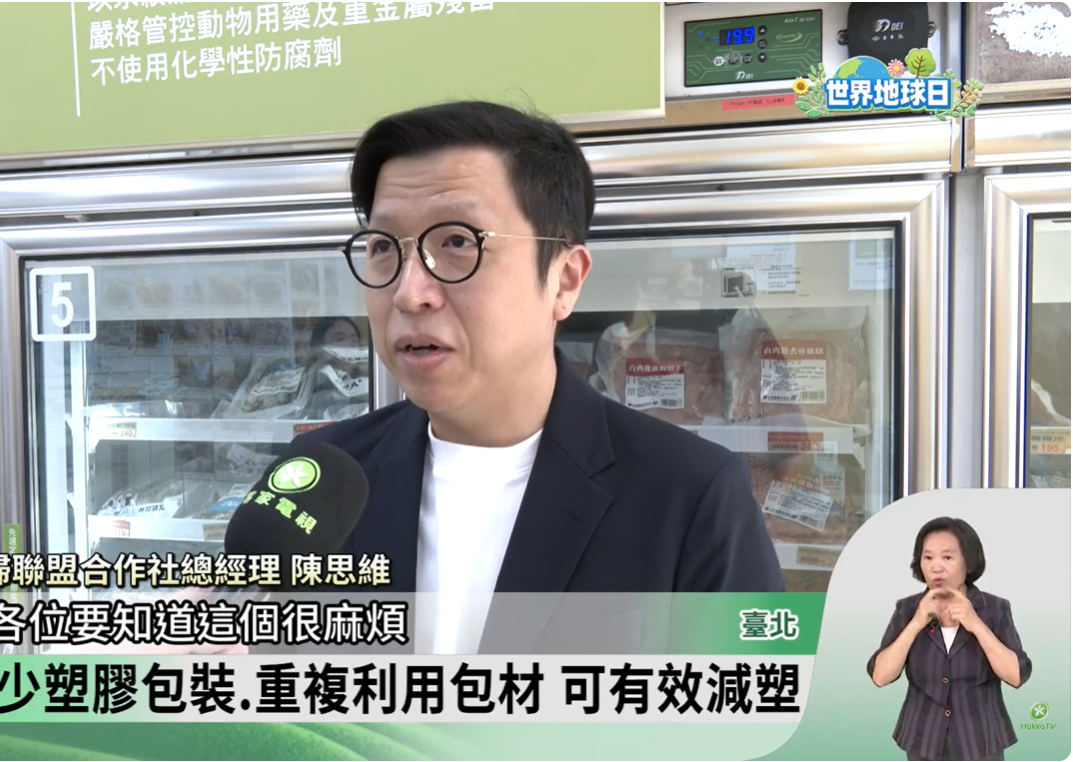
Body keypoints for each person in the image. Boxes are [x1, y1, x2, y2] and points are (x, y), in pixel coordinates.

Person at [293, 100, 784, 654]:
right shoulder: (317, 477)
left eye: (457, 242)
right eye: (384, 247)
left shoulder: (691, 496)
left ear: (565, 280)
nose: (409, 293)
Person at [867, 517, 1031, 761]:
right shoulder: (907, 609)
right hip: (923, 742)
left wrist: (975, 624)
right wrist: (916, 622)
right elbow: (880, 676)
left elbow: (1016, 675)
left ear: (969, 562)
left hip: (980, 741)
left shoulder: (995, 609)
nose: (936, 567)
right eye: (928, 557)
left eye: (947, 557)